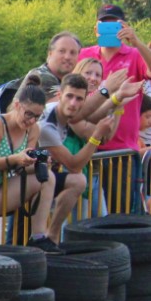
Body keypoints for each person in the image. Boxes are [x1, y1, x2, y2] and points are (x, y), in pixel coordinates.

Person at [77, 4, 151, 213]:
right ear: (96, 29)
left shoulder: (135, 54)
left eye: (116, 24)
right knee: (85, 216)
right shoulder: (84, 55)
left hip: (122, 150)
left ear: (124, 26)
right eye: (105, 24)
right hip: (85, 146)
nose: (111, 29)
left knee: (122, 213)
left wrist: (136, 41)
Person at [0, 85, 58, 250]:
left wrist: (38, 163)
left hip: (0, 188)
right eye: (29, 114)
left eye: (38, 116)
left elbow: (22, 167)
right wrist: (15, 159)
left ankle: (39, 236)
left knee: (48, 177)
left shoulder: (33, 129)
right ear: (17, 105)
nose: (32, 120)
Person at [38, 73, 117, 241]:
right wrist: (96, 135)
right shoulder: (47, 126)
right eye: (69, 96)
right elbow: (74, 166)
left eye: (79, 99)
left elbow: (91, 113)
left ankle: (51, 236)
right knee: (21, 235)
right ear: (59, 95)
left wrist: (117, 98)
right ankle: (41, 241)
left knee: (78, 181)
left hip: (41, 174)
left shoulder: (66, 113)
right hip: (17, 176)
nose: (73, 103)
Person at [22, 32, 82, 100]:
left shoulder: (66, 81)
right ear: (50, 54)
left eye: (73, 53)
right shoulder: (43, 77)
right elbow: (68, 107)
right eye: (62, 51)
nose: (67, 57)